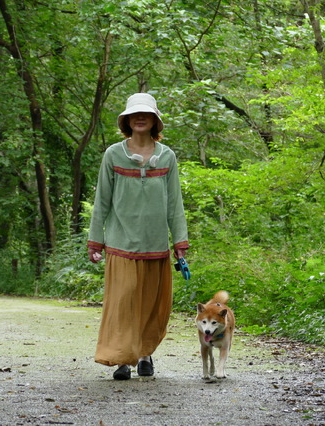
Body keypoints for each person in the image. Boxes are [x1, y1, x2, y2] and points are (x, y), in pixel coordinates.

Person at [87, 93, 189, 380]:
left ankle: (144, 355)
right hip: (120, 244)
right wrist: (95, 241)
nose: (140, 118)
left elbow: (174, 203)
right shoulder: (113, 154)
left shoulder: (167, 156)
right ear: (127, 120)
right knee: (123, 302)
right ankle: (122, 359)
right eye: (134, 115)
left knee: (150, 305)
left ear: (155, 120)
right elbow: (102, 200)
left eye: (145, 114)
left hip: (156, 245)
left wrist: (180, 241)